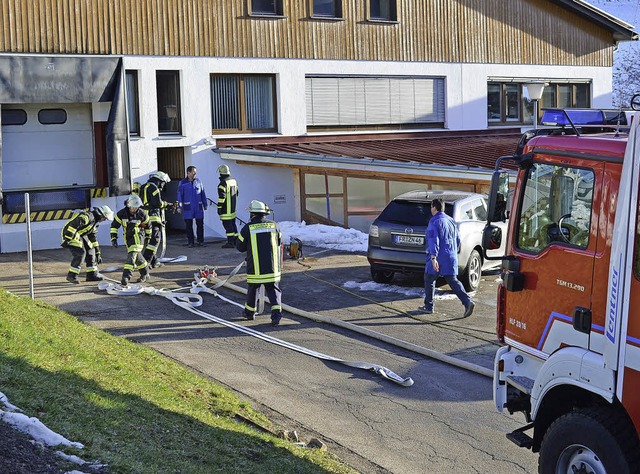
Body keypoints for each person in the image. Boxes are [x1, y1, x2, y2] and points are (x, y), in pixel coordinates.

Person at [421, 198, 475, 317]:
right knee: (453, 280)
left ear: (434, 207)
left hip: (438, 257)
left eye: (431, 207)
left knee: (429, 279)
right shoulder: (451, 221)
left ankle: (428, 306)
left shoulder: (434, 222)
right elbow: (458, 239)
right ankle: (467, 301)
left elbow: (433, 240)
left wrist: (433, 257)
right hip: (451, 256)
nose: (431, 209)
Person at [236, 200, 283, 326]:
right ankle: (276, 315)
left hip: (256, 269)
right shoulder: (274, 225)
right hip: (272, 269)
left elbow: (240, 247)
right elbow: (279, 242)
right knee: (273, 290)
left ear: (253, 214)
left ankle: (249, 313)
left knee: (253, 290)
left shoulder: (247, 228)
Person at [61, 205, 114, 284]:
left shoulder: (94, 223)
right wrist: (67, 239)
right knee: (81, 253)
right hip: (70, 233)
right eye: (104, 218)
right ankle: (72, 276)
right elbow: (73, 225)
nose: (104, 220)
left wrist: (98, 253)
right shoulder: (87, 217)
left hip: (81, 234)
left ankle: (92, 275)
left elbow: (93, 238)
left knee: (91, 250)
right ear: (100, 215)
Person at [110, 195, 151, 287]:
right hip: (128, 239)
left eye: (136, 207)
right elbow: (114, 226)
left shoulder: (142, 214)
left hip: (138, 238)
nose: (134, 209)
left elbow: (148, 226)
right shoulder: (121, 214)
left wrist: (148, 238)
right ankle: (145, 273)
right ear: (128, 205)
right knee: (138, 259)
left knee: (131, 257)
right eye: (132, 207)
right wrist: (113, 238)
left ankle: (126, 277)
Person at [140, 171, 172, 268]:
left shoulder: (143, 186)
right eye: (163, 183)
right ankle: (146, 261)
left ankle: (155, 261)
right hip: (153, 218)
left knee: (148, 240)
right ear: (159, 180)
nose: (163, 185)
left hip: (143, 218)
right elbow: (158, 203)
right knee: (154, 241)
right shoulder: (154, 188)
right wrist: (168, 204)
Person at [177, 166, 208, 247]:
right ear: (188, 172)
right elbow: (179, 196)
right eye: (193, 172)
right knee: (189, 226)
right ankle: (190, 242)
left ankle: (200, 241)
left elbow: (202, 193)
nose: (195, 173)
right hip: (188, 207)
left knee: (200, 225)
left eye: (195, 172)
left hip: (198, 207)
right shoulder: (182, 183)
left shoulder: (198, 182)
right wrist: (179, 207)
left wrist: (205, 204)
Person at [217, 164, 239, 248]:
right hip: (233, 209)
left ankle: (230, 242)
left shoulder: (222, 184)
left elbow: (222, 197)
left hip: (226, 210)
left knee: (228, 226)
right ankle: (236, 241)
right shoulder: (233, 181)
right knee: (233, 225)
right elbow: (237, 193)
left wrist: (219, 208)